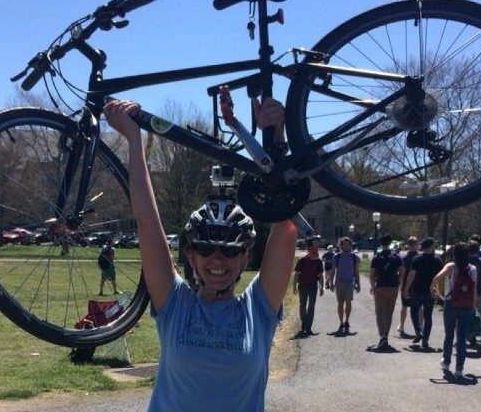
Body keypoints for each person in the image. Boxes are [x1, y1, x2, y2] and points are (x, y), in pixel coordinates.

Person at [104, 97, 297, 412]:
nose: (217, 259)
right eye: (205, 248)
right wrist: (134, 141)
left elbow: (285, 220)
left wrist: (276, 138)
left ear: (246, 258)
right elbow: (147, 223)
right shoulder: (175, 304)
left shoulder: (258, 310)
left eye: (230, 249)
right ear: (191, 257)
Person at [431, 242, 477, 379]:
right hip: (466, 305)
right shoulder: (472, 269)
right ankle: (459, 369)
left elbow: (436, 278)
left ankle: (446, 362)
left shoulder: (451, 266)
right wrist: (473, 306)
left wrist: (435, 292)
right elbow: (473, 290)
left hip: (451, 303)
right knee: (462, 338)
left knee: (449, 335)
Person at [403, 237, 443, 349]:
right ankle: (425, 339)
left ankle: (418, 331)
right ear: (431, 246)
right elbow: (439, 278)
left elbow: (411, 276)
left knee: (414, 312)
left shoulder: (416, 259)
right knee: (428, 315)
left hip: (417, 290)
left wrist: (406, 290)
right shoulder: (438, 260)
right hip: (430, 291)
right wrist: (439, 292)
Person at [369, 234, 404, 350]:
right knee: (389, 312)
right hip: (393, 286)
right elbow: (402, 272)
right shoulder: (397, 257)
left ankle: (382, 336)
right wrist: (398, 282)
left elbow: (372, 274)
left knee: (380, 313)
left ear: (381, 243)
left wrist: (372, 286)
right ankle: (386, 336)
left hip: (380, 286)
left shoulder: (377, 257)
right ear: (390, 243)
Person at [327, 236, 361, 334]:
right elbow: (333, 271)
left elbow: (356, 271)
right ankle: (341, 322)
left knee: (349, 302)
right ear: (341, 246)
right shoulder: (336, 256)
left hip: (350, 283)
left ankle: (347, 321)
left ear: (351, 245)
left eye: (348, 245)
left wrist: (358, 284)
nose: (346, 246)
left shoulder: (354, 257)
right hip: (339, 283)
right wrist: (330, 283)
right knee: (340, 303)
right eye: (344, 245)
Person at [293, 238, 324, 336]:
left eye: (316, 248)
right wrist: (294, 286)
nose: (315, 250)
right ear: (309, 249)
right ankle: (304, 324)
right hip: (302, 286)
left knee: (311, 307)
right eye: (313, 248)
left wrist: (322, 287)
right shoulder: (302, 260)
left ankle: (308, 327)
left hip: (313, 287)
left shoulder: (318, 261)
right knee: (302, 305)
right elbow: (297, 274)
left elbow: (320, 275)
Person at [397, 236, 419, 337]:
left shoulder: (404, 258)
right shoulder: (419, 258)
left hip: (407, 284)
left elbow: (402, 272)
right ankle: (419, 327)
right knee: (418, 308)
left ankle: (401, 326)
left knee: (404, 307)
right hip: (417, 285)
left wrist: (401, 284)